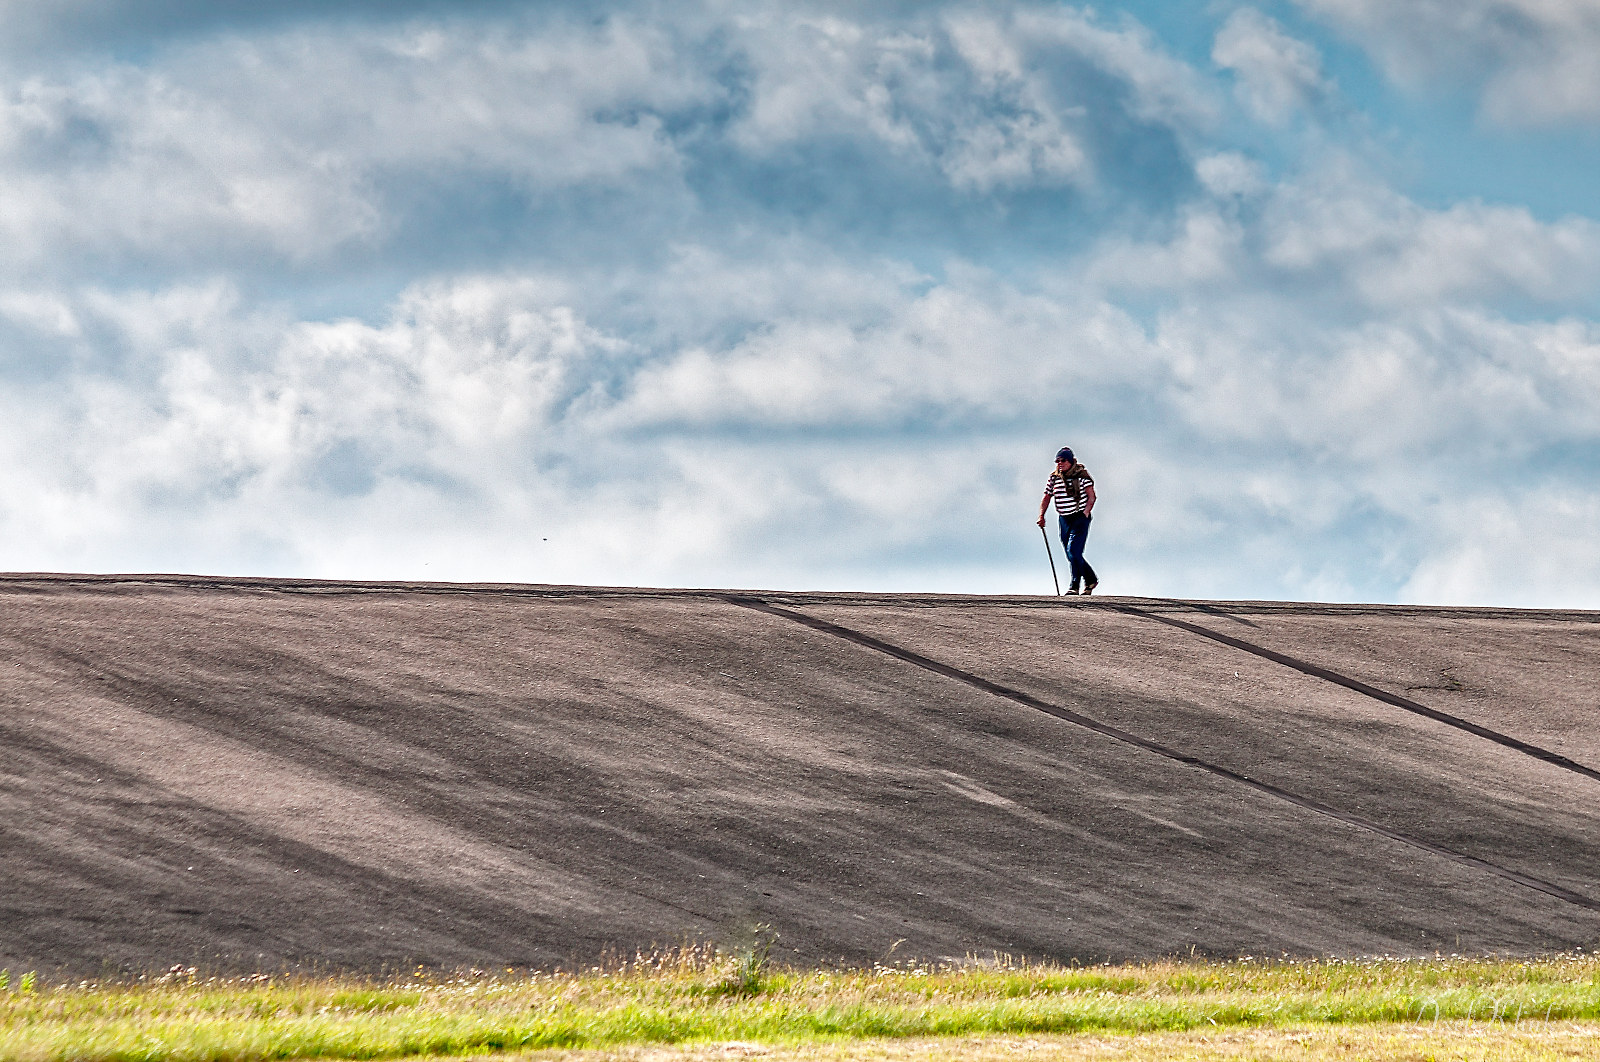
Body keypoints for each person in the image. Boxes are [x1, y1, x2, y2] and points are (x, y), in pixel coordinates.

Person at [1036, 446, 1097, 595]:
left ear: (1070, 461)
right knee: (1071, 554)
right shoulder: (1054, 478)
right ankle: (1090, 579)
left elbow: (1092, 496)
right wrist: (1041, 515)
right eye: (1057, 461)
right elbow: (1046, 497)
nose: (1059, 463)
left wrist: (1086, 512)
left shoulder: (1081, 476)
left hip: (1080, 517)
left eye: (1063, 460)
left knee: (1073, 551)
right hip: (1064, 519)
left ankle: (1074, 585)